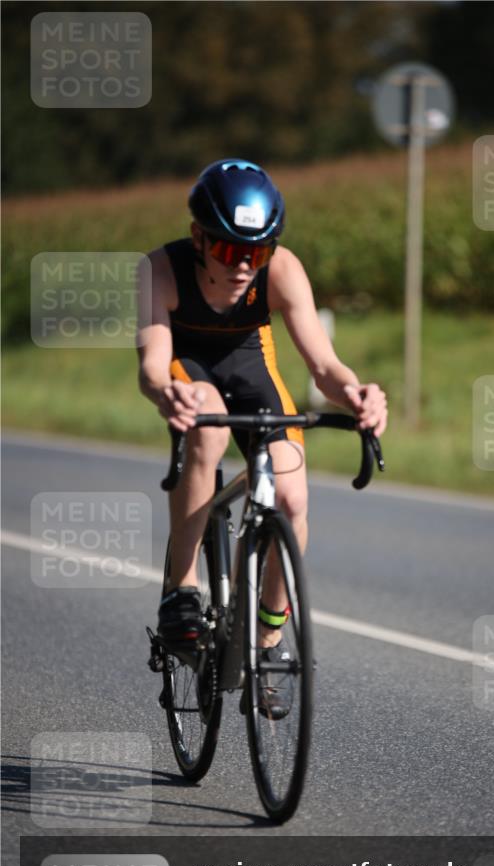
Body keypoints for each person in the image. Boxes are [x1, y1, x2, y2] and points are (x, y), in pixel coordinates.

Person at [136, 158, 387, 688]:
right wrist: (167, 393)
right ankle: (181, 590)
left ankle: (269, 637)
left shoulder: (283, 270)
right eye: (230, 250)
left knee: (292, 498)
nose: (245, 265)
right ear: (198, 238)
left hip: (252, 369)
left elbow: (324, 368)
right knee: (208, 424)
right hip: (192, 371)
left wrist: (358, 395)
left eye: (257, 251)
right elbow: (153, 366)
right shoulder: (161, 268)